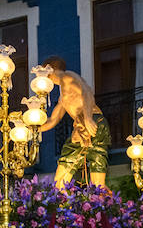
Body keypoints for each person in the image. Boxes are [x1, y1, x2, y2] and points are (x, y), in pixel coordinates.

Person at [40, 56, 110, 188]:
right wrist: (31, 128)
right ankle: (67, 203)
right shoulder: (63, 95)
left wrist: (88, 118)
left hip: (92, 120)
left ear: (49, 69)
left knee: (93, 170)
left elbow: (87, 92)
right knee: (62, 179)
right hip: (80, 126)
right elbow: (53, 120)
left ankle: (98, 200)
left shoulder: (68, 76)